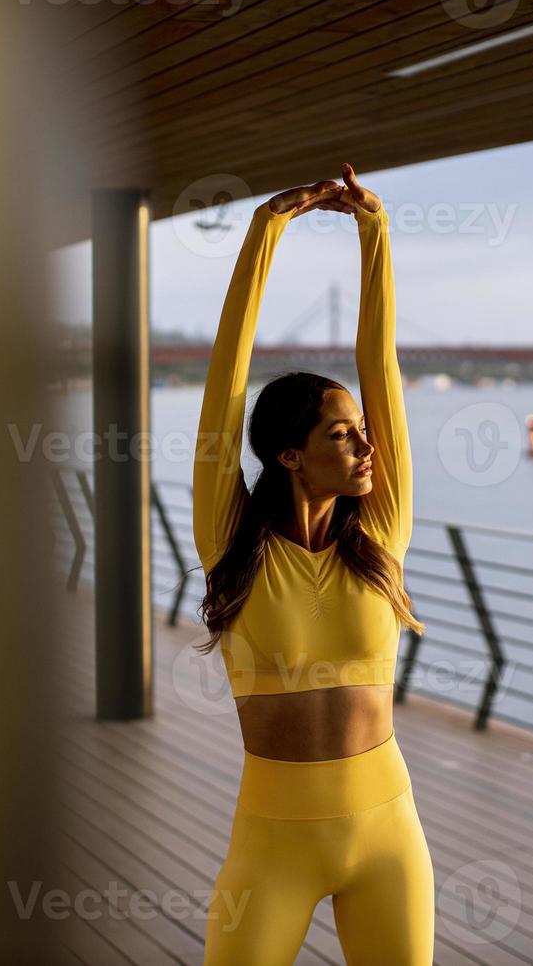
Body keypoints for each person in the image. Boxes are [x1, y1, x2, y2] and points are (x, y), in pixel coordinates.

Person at [192, 163, 434, 965]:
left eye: (364, 432)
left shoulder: (384, 533)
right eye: (341, 434)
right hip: (274, 846)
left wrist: (375, 232)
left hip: (388, 834)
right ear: (290, 454)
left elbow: (381, 366)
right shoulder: (232, 542)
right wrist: (265, 233)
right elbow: (224, 387)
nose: (367, 446)